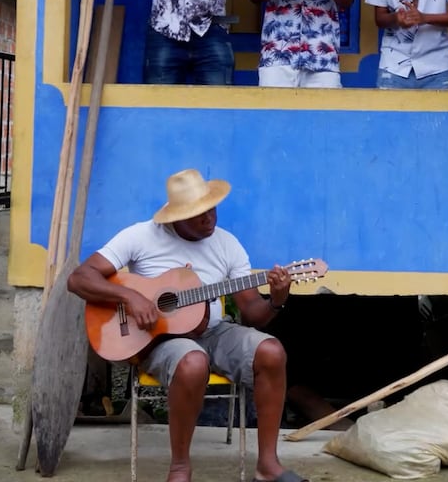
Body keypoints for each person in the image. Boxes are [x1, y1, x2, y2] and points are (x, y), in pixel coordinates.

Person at [67, 169, 306, 482]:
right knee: (193, 362)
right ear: (175, 217)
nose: (208, 219)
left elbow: (252, 313)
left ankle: (268, 466)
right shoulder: (140, 236)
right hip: (160, 340)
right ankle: (180, 467)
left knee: (271, 351)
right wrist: (130, 297)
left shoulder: (226, 244)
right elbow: (79, 278)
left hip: (215, 331)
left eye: (211, 210)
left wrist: (276, 299)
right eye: (197, 215)